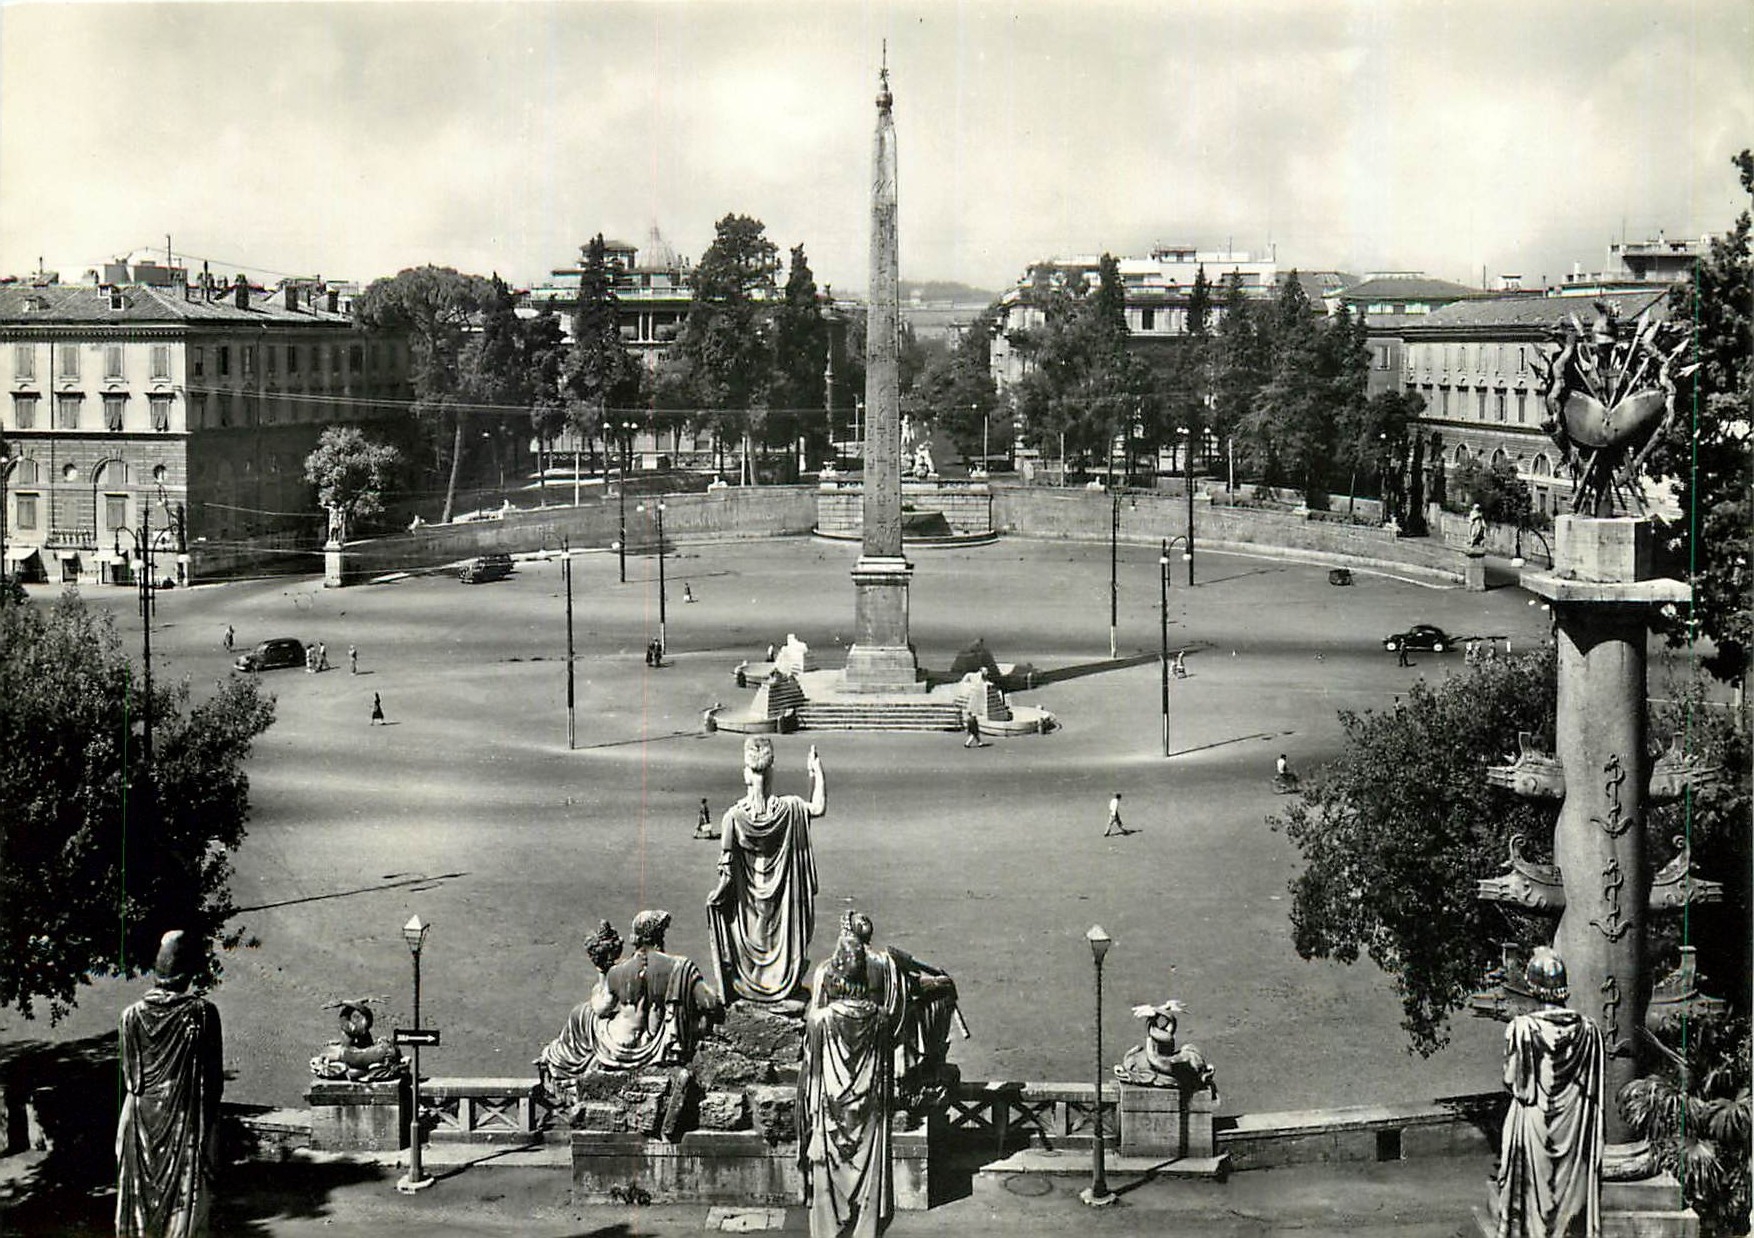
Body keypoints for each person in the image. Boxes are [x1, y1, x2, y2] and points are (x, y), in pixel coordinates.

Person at [799, 919, 904, 1238]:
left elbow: (812, 1073)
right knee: (868, 1173)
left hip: (830, 1109)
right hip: (869, 1112)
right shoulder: (880, 1019)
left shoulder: (820, 1021)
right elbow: (886, 1072)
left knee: (826, 1176)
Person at [116, 930, 224, 1238]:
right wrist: (208, 1131)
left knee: (140, 1205)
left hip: (140, 1122)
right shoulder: (202, 1013)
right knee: (184, 1209)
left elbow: (131, 1077)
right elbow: (213, 1083)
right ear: (187, 973)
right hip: (183, 1120)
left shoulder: (130, 1016)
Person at [707, 738, 827, 1006]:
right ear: (771, 772)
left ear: (746, 774)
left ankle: (754, 983)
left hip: (748, 909)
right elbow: (818, 807)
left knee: (752, 938)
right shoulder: (791, 809)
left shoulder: (733, 818)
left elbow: (726, 876)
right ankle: (780, 981)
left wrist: (716, 899)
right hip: (783, 908)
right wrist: (817, 772)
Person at [1494, 947, 1605, 1238]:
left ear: (1533, 987)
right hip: (1574, 1125)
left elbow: (1511, 1080)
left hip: (1534, 1124)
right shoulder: (1589, 1031)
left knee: (1531, 1196)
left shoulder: (1522, 1029)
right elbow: (1594, 1087)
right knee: (1570, 1200)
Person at [586, 910, 723, 1073]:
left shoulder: (616, 971)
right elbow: (710, 1003)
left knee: (584, 1015)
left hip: (620, 1045)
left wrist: (600, 978)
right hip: (661, 1049)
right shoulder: (681, 966)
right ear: (659, 937)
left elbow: (601, 1009)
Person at [535, 921, 624, 1105]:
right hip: (603, 1016)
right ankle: (561, 1056)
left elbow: (602, 1008)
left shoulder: (617, 975)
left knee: (581, 1014)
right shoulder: (614, 973)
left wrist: (596, 996)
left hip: (609, 1020)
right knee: (580, 1014)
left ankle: (561, 1059)